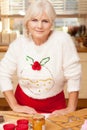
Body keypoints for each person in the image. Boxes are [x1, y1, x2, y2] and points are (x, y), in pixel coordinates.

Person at [0, 0, 81, 116]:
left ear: (51, 23)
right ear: (27, 23)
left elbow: (74, 74)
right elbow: (3, 72)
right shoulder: (18, 44)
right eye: (34, 20)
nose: (39, 26)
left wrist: (71, 108)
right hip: (24, 107)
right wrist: (14, 105)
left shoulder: (63, 40)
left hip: (55, 108)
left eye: (45, 21)